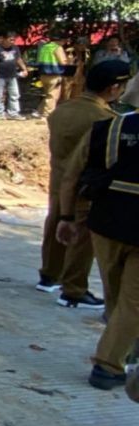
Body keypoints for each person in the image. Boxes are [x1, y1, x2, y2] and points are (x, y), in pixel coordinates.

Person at [56, 103, 139, 391]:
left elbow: (71, 176)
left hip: (106, 224)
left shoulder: (109, 128)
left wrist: (66, 217)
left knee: (116, 294)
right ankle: (108, 365)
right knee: (133, 302)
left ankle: (122, 350)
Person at [38, 61, 130, 303]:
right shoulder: (104, 118)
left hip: (58, 179)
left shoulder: (62, 110)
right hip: (85, 184)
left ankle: (48, 275)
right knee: (81, 237)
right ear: (114, 88)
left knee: (55, 225)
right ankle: (74, 289)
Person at [0, 31, 28, 119]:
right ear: (4, 39)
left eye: (14, 40)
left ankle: (13, 113)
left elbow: (18, 59)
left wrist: (24, 68)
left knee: (14, 94)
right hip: (0, 75)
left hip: (12, 75)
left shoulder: (15, 48)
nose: (12, 41)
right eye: (10, 39)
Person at [35, 36, 69, 118]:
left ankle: (40, 111)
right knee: (53, 95)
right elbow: (63, 62)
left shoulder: (44, 47)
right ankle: (48, 114)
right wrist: (69, 61)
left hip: (43, 74)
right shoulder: (57, 48)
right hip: (54, 74)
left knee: (48, 94)